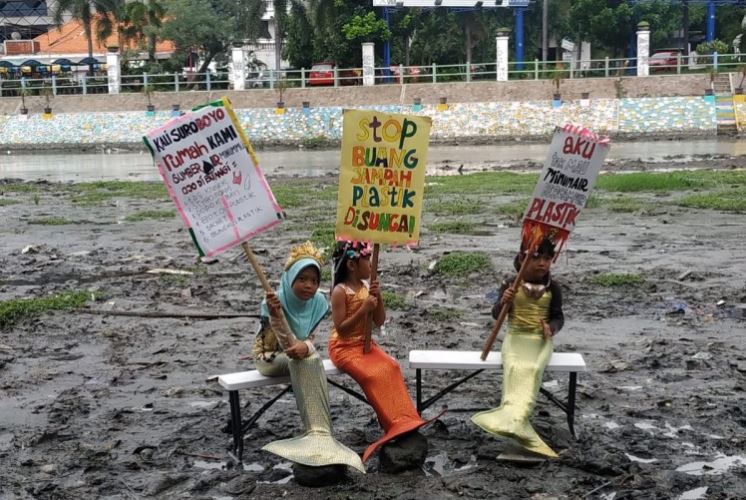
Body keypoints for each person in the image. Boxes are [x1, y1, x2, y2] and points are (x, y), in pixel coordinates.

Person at [252, 241, 365, 473]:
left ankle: (321, 434)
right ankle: (317, 434)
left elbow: (310, 339)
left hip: (299, 356)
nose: (309, 285)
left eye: (314, 280)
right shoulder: (273, 301)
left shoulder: (319, 303)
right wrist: (277, 316)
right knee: (307, 360)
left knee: (308, 360)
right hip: (271, 356)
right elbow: (285, 345)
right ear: (291, 278)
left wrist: (307, 346)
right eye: (302, 279)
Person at [328, 241, 427, 463]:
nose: (373, 264)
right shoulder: (339, 291)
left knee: (390, 366)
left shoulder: (366, 288)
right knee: (371, 375)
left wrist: (378, 297)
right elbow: (341, 330)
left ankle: (405, 418)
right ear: (352, 265)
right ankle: (390, 423)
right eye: (368, 259)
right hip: (344, 347)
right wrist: (363, 309)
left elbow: (379, 320)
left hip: (365, 343)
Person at [471, 237, 564, 458]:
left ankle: (518, 420)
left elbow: (558, 317)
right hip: (515, 338)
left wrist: (551, 328)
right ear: (523, 258)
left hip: (539, 341)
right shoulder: (511, 284)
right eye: (536, 257)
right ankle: (512, 419)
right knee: (513, 368)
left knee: (532, 371)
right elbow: (496, 315)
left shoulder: (555, 288)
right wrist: (504, 301)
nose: (542, 263)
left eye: (547, 258)